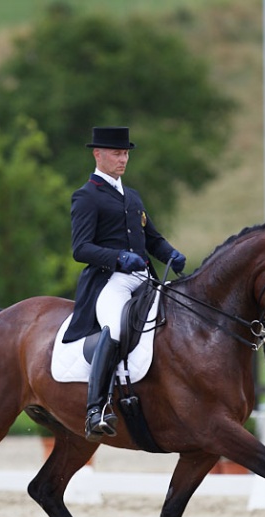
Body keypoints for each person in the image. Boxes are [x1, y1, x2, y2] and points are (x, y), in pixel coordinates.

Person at [63, 126, 186, 442]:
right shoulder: (86, 196)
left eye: (126, 154)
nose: (123, 159)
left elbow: (152, 239)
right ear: (98, 154)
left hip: (143, 278)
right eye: (117, 153)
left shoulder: (131, 196)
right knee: (115, 330)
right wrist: (118, 258)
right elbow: (81, 248)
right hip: (110, 282)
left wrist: (169, 251)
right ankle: (96, 409)